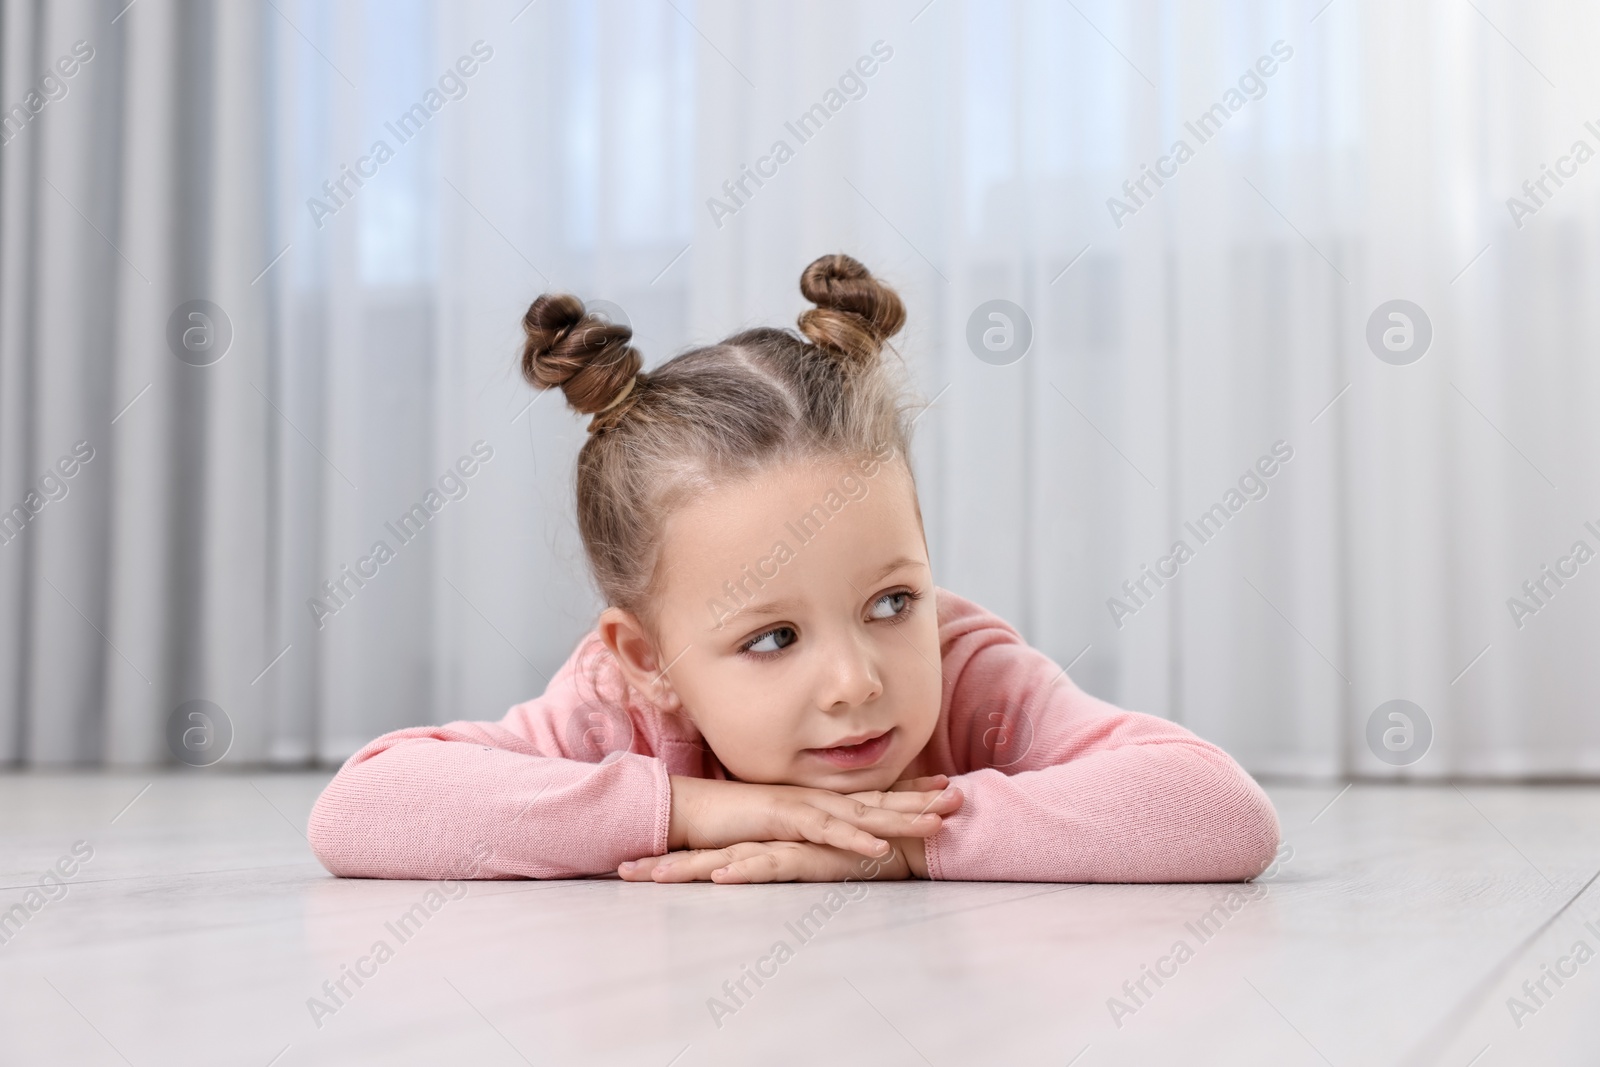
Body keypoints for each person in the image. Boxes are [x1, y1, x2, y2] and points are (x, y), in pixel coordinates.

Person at [307, 253, 1279, 884]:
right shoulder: (627, 703)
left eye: (890, 598)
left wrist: (901, 842)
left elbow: (1219, 812)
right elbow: (362, 805)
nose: (858, 679)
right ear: (646, 652)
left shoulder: (966, 668)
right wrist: (695, 810)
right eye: (773, 635)